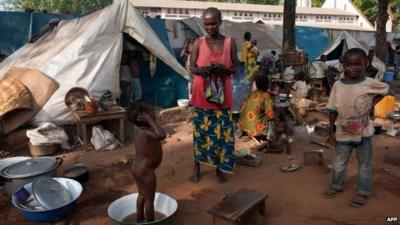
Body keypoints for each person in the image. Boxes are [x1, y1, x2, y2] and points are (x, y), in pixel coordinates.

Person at [324, 48, 389, 207]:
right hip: (343, 132)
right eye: (349, 64)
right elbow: (332, 110)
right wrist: (330, 132)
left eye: (358, 64)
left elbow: (386, 89)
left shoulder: (369, 83)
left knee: (364, 165)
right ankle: (336, 185)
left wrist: (372, 105)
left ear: (365, 64)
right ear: (343, 65)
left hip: (364, 132)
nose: (353, 68)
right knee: (339, 162)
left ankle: (363, 192)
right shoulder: (338, 86)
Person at [189, 7, 238, 183]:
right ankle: (197, 167)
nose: (210, 27)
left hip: (222, 98)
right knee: (200, 135)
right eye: (206, 24)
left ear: (220, 22)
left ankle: (219, 169)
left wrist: (224, 69)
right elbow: (192, 67)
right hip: (202, 96)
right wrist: (202, 71)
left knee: (221, 135)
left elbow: (236, 68)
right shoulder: (198, 43)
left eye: (213, 23)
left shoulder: (229, 42)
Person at [128, 102, 167, 222]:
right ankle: (150, 223)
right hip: (146, 171)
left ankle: (139, 219)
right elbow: (162, 135)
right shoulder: (146, 132)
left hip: (136, 168)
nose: (154, 112)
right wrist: (150, 120)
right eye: (151, 112)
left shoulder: (138, 128)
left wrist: (148, 121)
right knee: (149, 200)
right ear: (144, 117)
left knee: (141, 195)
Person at [239, 73, 274, 138]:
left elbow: (242, 108)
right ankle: (269, 137)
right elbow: (270, 115)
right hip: (256, 131)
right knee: (270, 120)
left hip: (244, 127)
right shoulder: (265, 95)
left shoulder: (250, 94)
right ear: (267, 85)